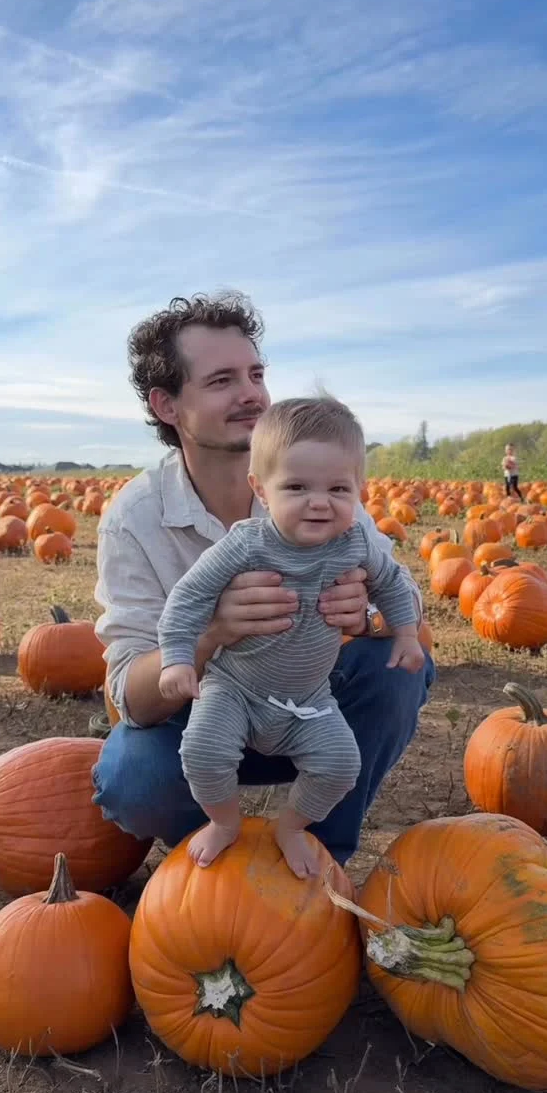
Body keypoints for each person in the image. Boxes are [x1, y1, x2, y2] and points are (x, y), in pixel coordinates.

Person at [92, 291, 435, 868]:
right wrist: (212, 632)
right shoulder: (135, 519)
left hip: (310, 704)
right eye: (222, 380)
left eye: (256, 374)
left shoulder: (322, 488)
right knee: (133, 776)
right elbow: (131, 696)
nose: (251, 393)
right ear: (167, 405)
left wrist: (366, 618)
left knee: (395, 675)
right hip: (207, 711)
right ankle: (216, 863)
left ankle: (318, 855)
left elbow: (406, 605)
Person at [157, 396, 424, 877]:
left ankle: (292, 826)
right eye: (297, 487)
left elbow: (391, 583)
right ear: (261, 490)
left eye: (338, 488)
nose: (319, 501)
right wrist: (178, 657)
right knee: (202, 751)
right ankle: (224, 822)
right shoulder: (246, 544)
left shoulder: (356, 542)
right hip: (234, 688)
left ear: (359, 491)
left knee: (341, 765)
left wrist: (403, 633)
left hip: (308, 697)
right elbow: (188, 597)